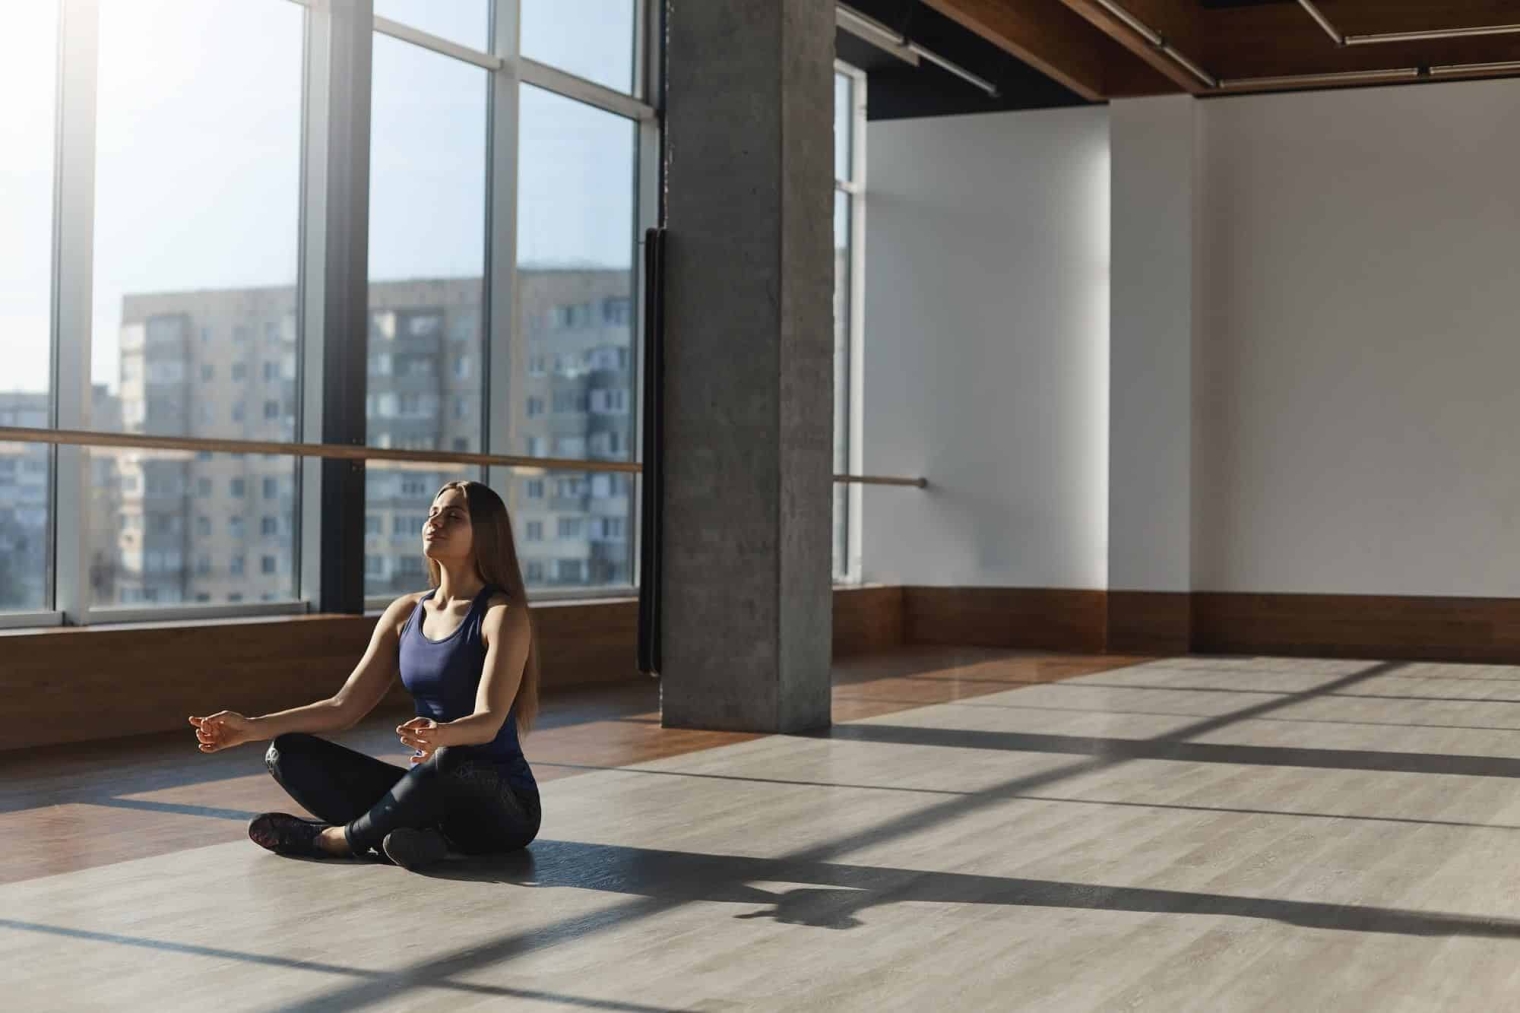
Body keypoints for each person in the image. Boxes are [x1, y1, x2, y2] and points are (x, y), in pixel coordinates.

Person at [188, 480, 541, 871]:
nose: (435, 522)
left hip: (502, 807)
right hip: (428, 792)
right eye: (433, 513)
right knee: (288, 752)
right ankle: (419, 838)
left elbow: (488, 723)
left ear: (486, 536)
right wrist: (251, 727)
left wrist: (442, 735)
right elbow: (344, 707)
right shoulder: (405, 612)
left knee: (449, 759)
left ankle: (337, 839)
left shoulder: (501, 614)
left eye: (454, 516)